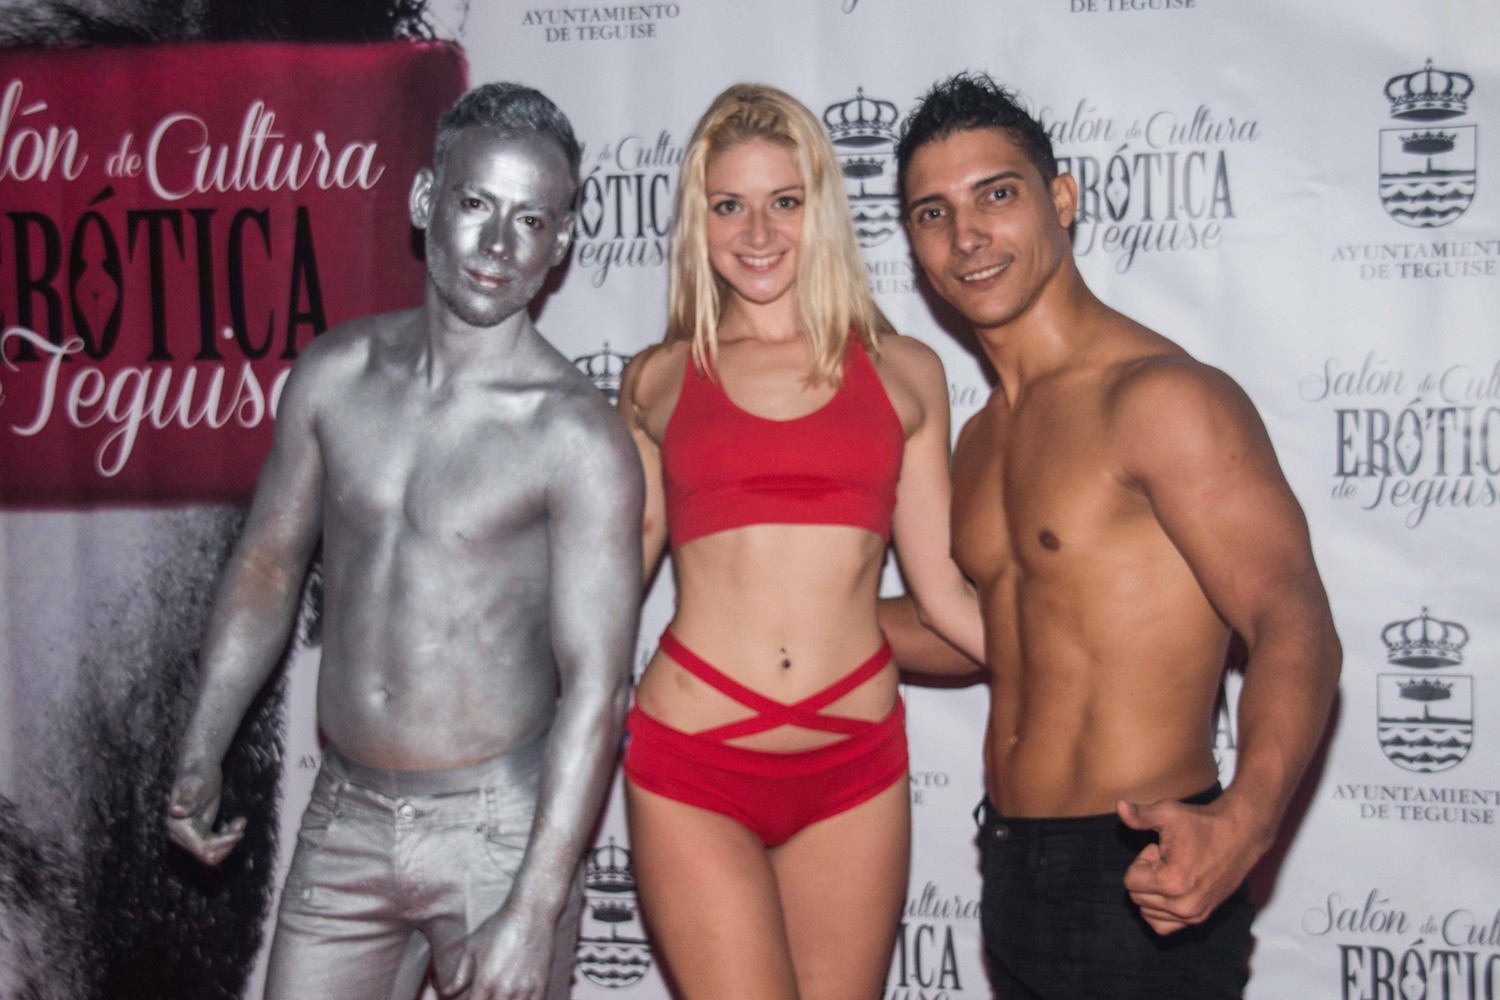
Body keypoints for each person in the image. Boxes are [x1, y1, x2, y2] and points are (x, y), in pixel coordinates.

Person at [164, 82, 643, 1000]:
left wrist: (536, 905)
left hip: (504, 832)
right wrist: (202, 742)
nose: (497, 246)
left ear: (562, 243)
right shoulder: (334, 375)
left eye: (530, 220)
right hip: (344, 815)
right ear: (427, 200)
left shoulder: (577, 437)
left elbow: (598, 683)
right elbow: (266, 567)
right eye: (475, 204)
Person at [882, 72, 1342, 998]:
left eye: (996, 195)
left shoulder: (1159, 397)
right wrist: (781, 620)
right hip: (1009, 864)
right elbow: (979, 627)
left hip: (1146, 871)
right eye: (934, 213)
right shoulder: (979, 439)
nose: (966, 236)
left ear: (1061, 198)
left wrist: (1245, 820)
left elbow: (1292, 616)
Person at [615, 83, 985, 1000]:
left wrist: (1087, 670)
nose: (758, 232)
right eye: (728, 206)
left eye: (784, 201)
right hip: (692, 766)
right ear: (697, 222)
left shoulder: (906, 372)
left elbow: (943, 594)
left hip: (855, 770)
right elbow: (609, 591)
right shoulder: (656, 379)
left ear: (820, 206)